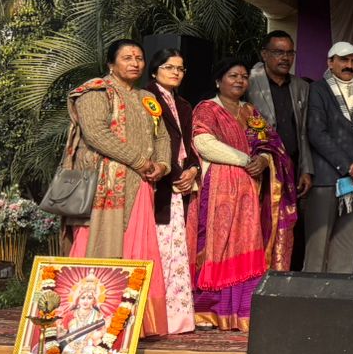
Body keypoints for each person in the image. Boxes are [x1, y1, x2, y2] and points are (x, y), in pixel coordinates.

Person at [190, 58, 296, 331]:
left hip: (249, 191)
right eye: (233, 75)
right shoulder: (207, 109)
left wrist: (263, 159)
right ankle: (210, 311)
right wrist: (245, 159)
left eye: (244, 76)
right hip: (219, 190)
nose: (239, 80)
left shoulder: (250, 112)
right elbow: (203, 143)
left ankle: (243, 311)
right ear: (218, 81)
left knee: (247, 245)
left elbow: (272, 146)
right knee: (217, 244)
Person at [64, 39, 170, 278]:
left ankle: (135, 301)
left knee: (138, 247)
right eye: (127, 58)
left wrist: (162, 165)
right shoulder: (96, 91)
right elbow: (96, 133)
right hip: (104, 186)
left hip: (140, 184)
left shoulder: (147, 98)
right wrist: (139, 161)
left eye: (139, 58)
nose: (135, 63)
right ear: (111, 64)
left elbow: (162, 136)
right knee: (96, 244)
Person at [304, 41, 353, 273]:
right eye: (344, 60)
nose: (349, 65)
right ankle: (310, 293)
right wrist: (347, 166)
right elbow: (316, 132)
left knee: (348, 245)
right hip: (327, 178)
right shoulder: (317, 90)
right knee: (317, 245)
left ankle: (337, 292)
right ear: (330, 62)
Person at [246, 29, 313, 267]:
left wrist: (306, 169)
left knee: (292, 225)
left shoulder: (301, 86)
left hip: (292, 167)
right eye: (278, 52)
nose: (285, 58)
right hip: (260, 168)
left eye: (289, 53)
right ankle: (258, 273)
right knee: (260, 223)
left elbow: (304, 132)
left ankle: (287, 275)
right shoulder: (249, 82)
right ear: (264, 54)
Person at [142, 47, 198, 336]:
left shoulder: (184, 104)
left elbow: (189, 144)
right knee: (158, 248)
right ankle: (153, 317)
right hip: (156, 183)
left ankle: (175, 318)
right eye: (169, 67)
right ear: (154, 71)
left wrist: (193, 169)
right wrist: (175, 173)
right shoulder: (146, 98)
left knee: (175, 250)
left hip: (179, 186)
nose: (176, 72)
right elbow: (150, 144)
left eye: (180, 68)